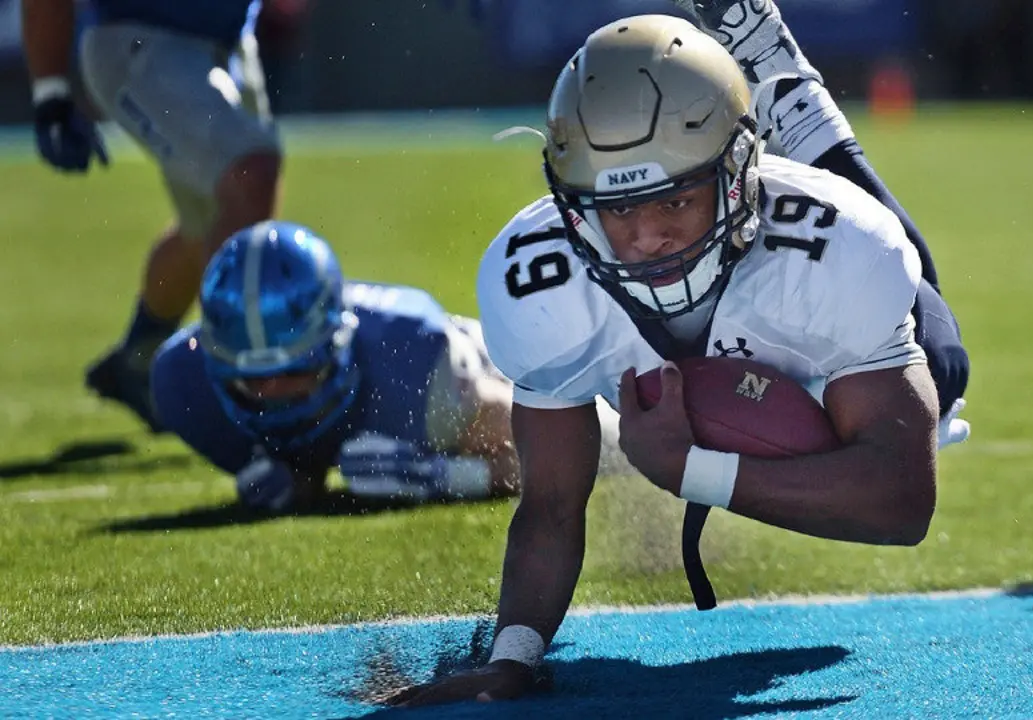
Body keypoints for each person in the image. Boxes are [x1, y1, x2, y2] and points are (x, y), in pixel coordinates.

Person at [383, 1, 971, 705]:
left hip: (811, 290)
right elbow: (550, 501)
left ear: (739, 173)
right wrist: (514, 654)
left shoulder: (841, 250)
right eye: (618, 208)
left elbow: (902, 502)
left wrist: (691, 470)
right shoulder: (538, 286)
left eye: (674, 201)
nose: (645, 238)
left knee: (941, 366)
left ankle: (792, 97)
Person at [151, 220, 618, 512]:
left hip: (498, 364)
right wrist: (294, 478)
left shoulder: (416, 368)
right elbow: (309, 476)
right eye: (251, 380)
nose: (272, 392)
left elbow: (560, 450)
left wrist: (443, 476)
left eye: (294, 371)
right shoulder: (182, 382)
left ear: (336, 344)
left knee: (624, 445)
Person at [21, 0, 282, 431]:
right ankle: (242, 393)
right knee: (249, 177)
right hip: (141, 39)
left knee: (211, 226)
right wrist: (51, 94)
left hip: (229, 44)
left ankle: (140, 356)